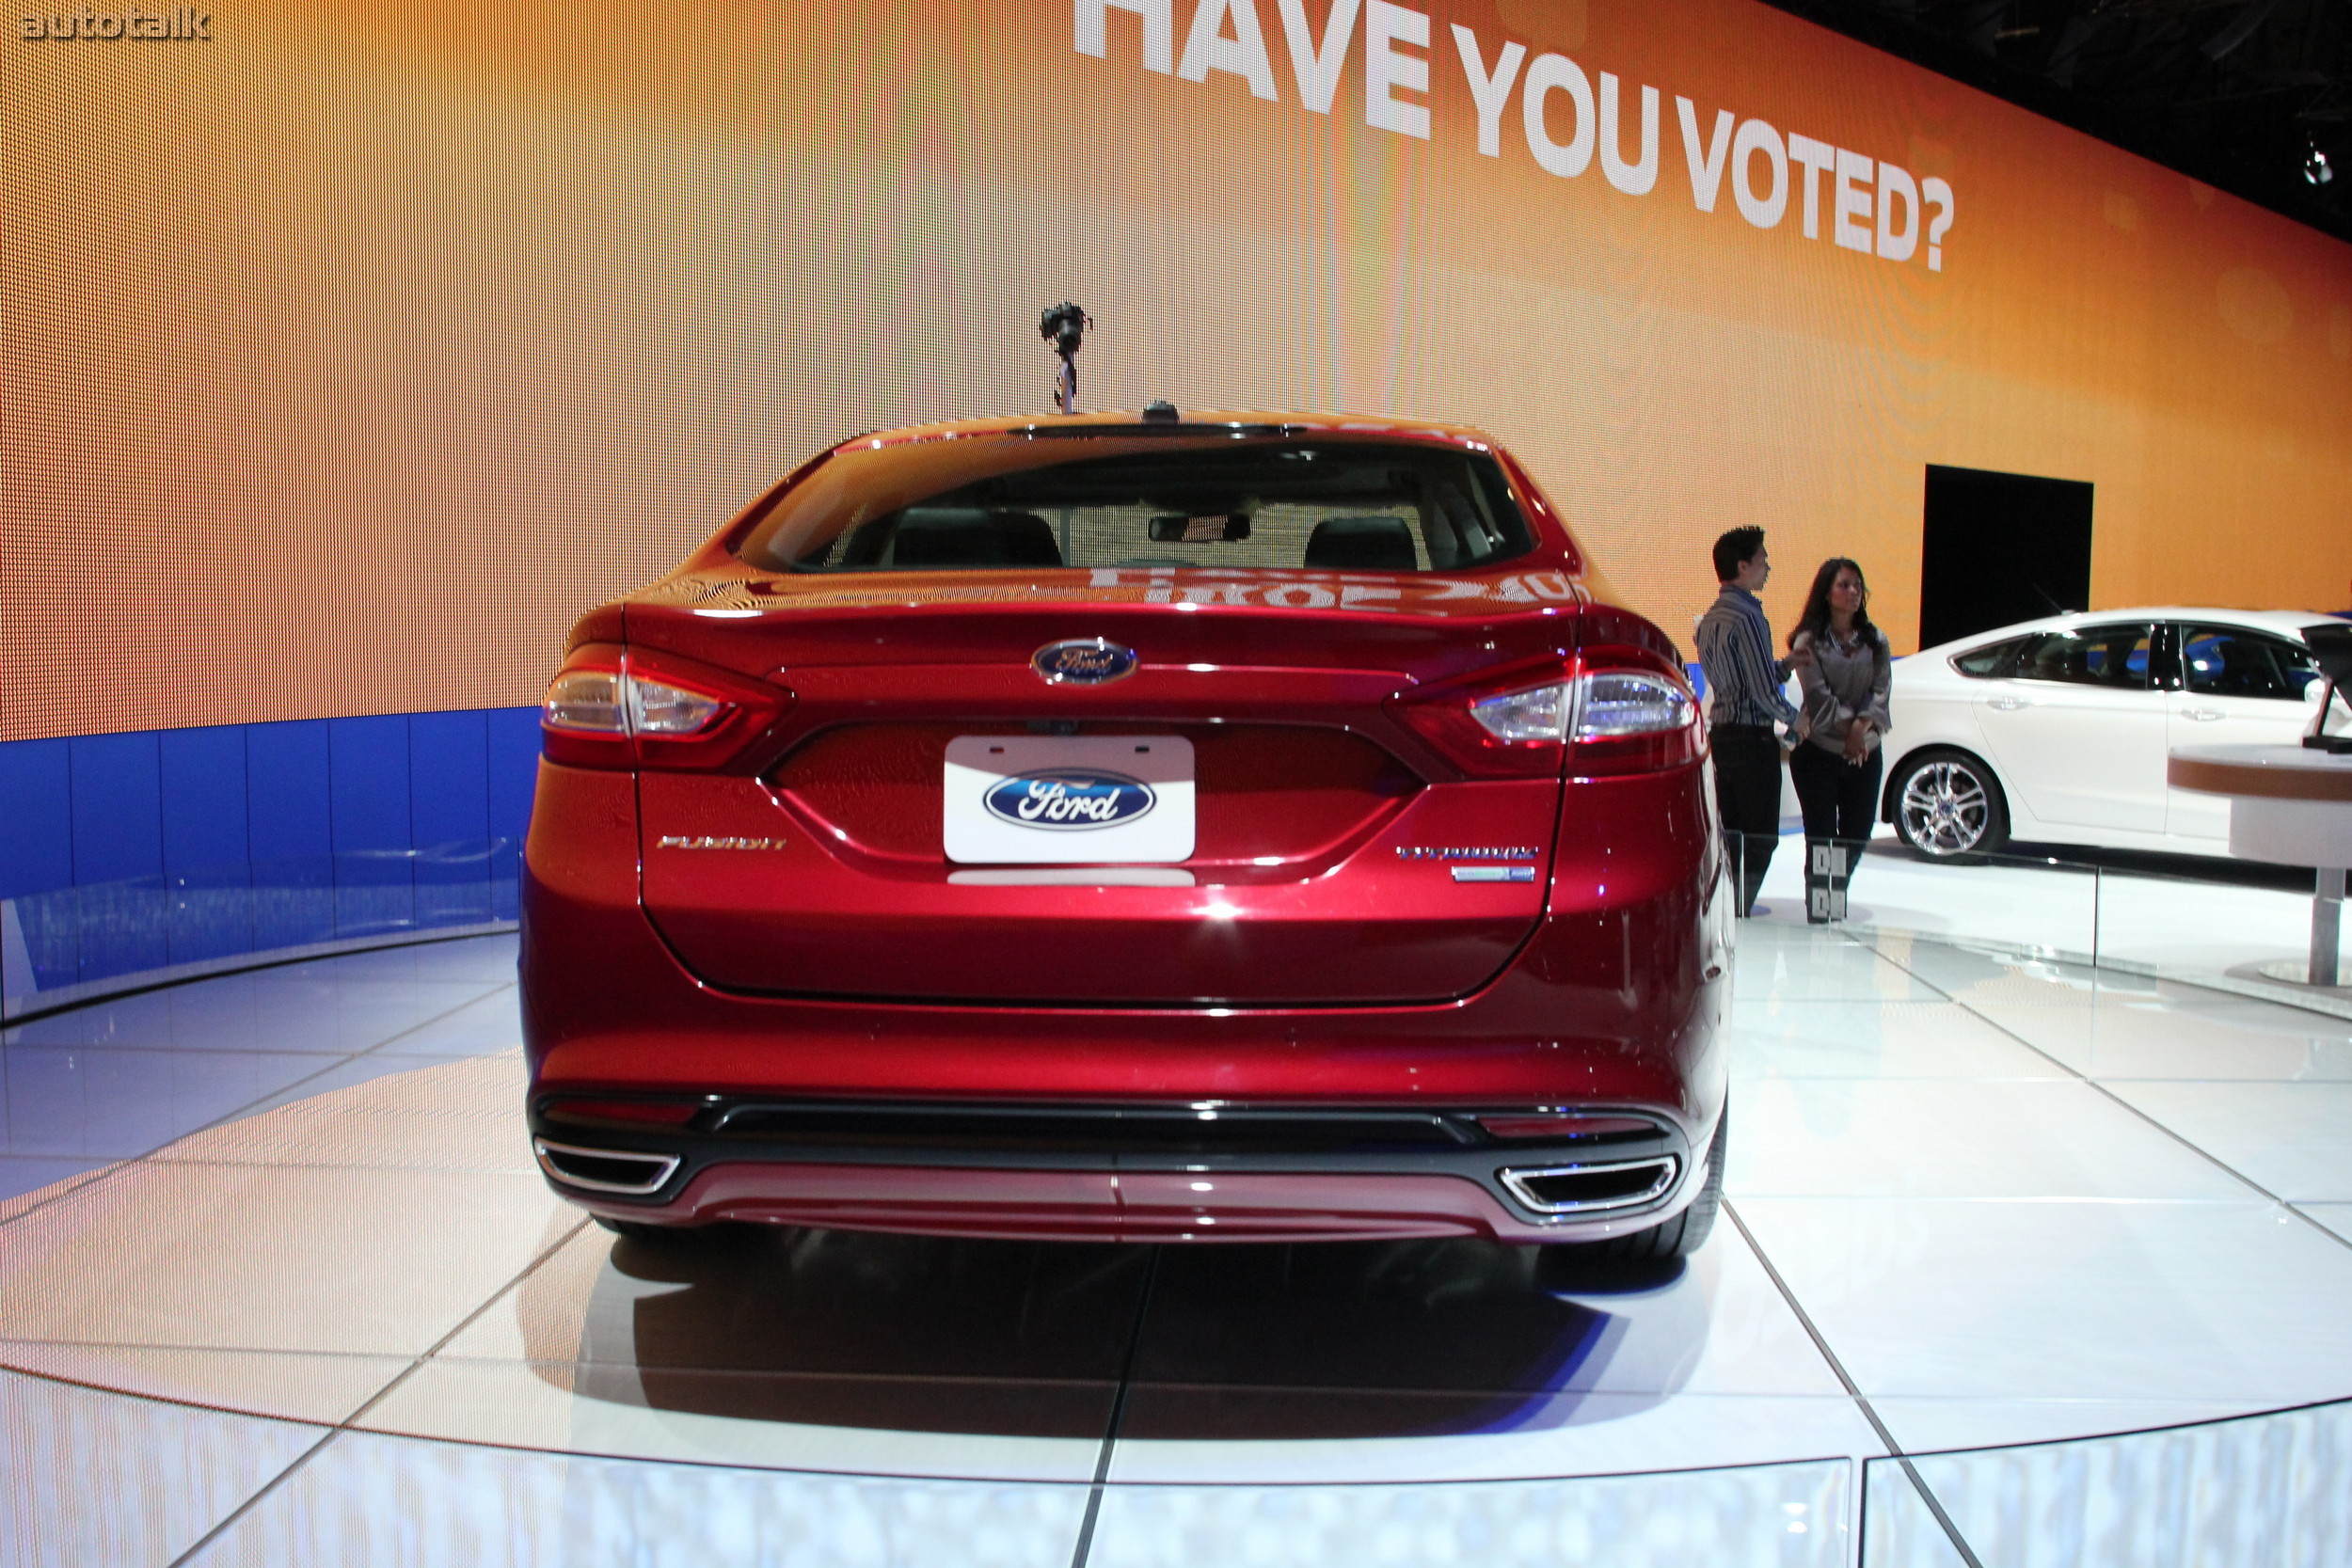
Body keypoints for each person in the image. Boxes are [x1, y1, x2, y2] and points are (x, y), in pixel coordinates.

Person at [1696, 528, 1809, 917]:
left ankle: (1726, 903)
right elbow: (1760, 692)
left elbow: (1742, 679)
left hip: (1722, 738)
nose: (1768, 568)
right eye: (1762, 560)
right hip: (1751, 740)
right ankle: (1739, 904)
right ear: (1743, 566)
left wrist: (1786, 667)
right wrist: (1797, 722)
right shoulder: (1748, 617)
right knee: (1761, 835)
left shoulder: (1710, 619)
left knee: (1730, 832)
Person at [1788, 558, 1893, 924]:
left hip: (1864, 751)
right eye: (1844, 585)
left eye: (1857, 585)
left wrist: (1860, 730)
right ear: (1826, 593)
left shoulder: (1875, 640)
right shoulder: (1809, 641)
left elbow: (1881, 691)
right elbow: (1817, 695)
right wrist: (1850, 730)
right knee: (1821, 837)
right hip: (1819, 751)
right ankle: (1822, 912)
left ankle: (1833, 893)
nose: (1853, 592)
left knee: (1857, 835)